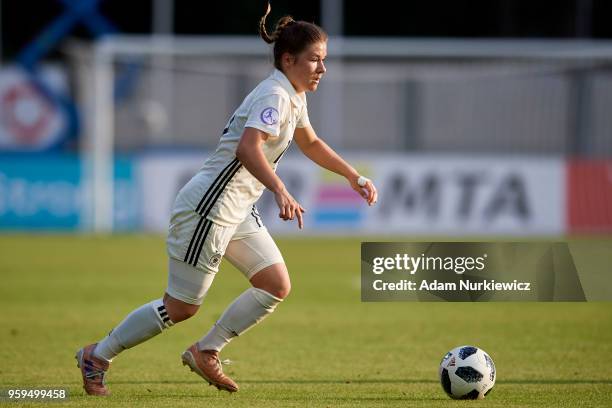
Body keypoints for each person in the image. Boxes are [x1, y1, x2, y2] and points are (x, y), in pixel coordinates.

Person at [76, 3, 377, 396]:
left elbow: (311, 142)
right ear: (289, 60)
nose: (322, 69)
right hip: (209, 210)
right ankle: (97, 356)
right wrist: (280, 190)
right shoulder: (275, 96)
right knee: (181, 307)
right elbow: (248, 150)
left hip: (235, 210)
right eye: (315, 60)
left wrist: (352, 176)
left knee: (274, 284)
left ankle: (206, 351)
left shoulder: (292, 94)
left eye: (324, 60)